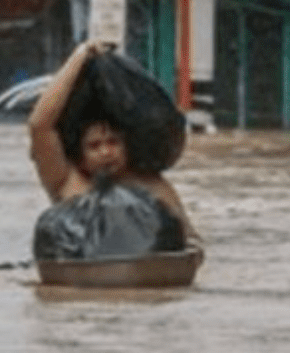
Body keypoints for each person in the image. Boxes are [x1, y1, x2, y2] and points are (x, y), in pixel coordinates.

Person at [27, 39, 203, 257]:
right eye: (94, 146)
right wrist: (80, 56)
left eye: (113, 142)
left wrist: (193, 250)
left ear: (129, 144)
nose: (106, 152)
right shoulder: (65, 179)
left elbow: (190, 239)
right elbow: (39, 125)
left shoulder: (152, 184)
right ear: (79, 154)